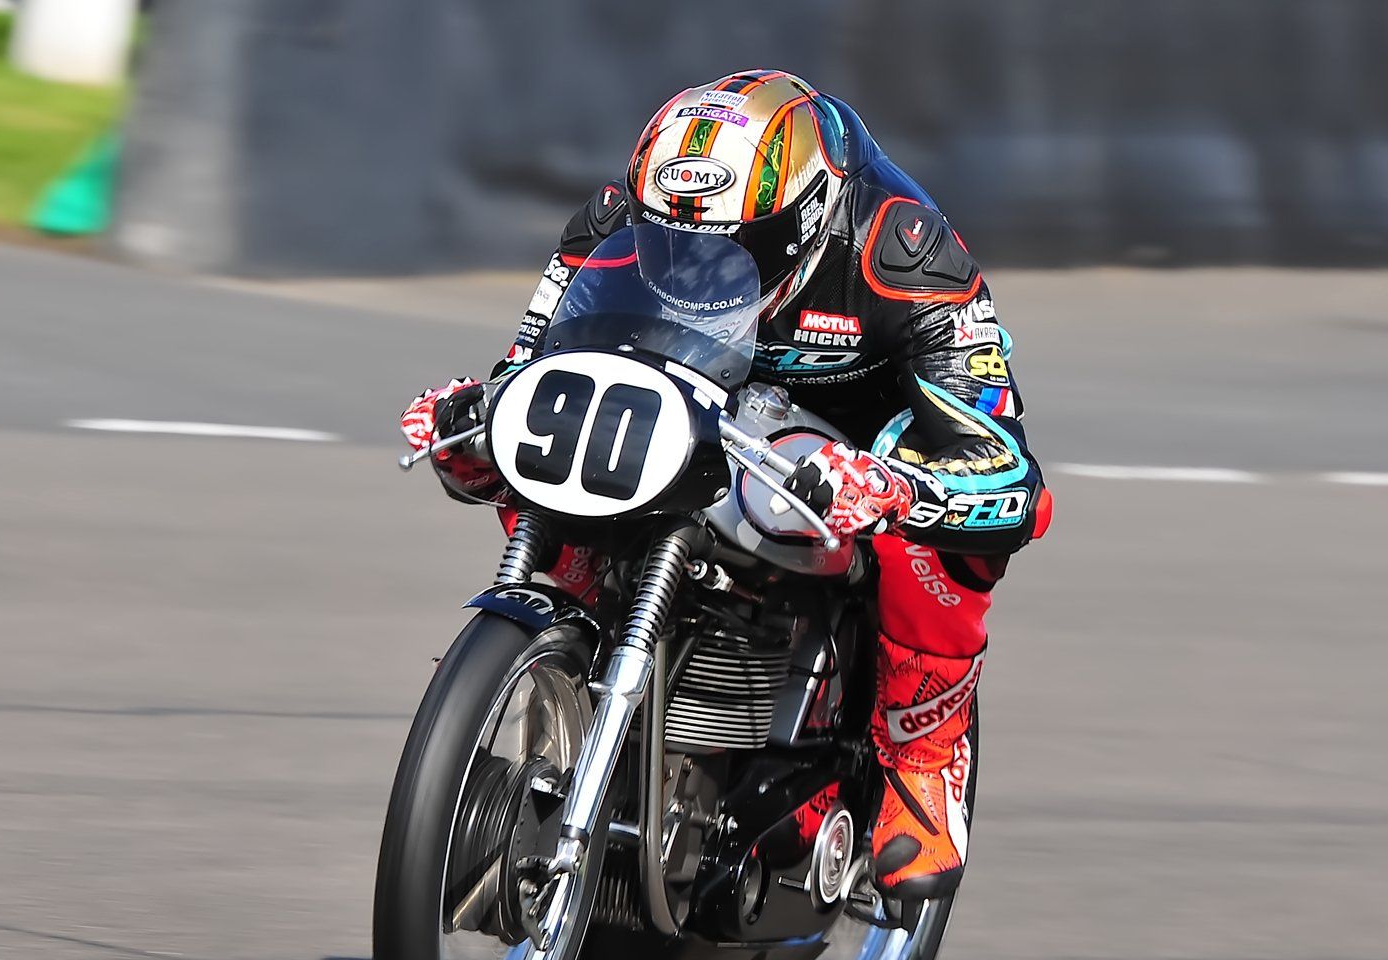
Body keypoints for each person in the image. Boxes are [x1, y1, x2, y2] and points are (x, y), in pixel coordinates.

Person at [399, 70, 1051, 902]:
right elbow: (532, 370)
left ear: (807, 217)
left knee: (937, 530)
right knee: (545, 444)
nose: (698, 264)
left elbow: (1003, 467)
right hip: (701, 398)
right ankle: (561, 651)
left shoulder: (905, 251)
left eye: (736, 247)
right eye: (671, 242)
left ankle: (926, 751)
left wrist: (891, 486)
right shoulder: (611, 221)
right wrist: (476, 415)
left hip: (861, 440)